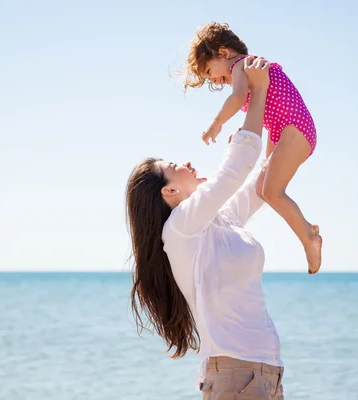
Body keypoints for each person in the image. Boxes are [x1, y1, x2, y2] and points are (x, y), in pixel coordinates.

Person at [126, 57, 313, 399]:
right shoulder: (181, 228)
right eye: (174, 167)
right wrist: (255, 93)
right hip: (235, 374)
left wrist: (279, 123)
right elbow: (235, 168)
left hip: (265, 371)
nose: (186, 163)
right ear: (169, 191)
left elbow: (258, 187)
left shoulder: (216, 222)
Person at [184, 22, 322, 273]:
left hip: (294, 129)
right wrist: (243, 131)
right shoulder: (248, 70)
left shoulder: (241, 65)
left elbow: (237, 98)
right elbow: (265, 108)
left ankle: (309, 238)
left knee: (272, 191)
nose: (215, 80)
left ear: (223, 53)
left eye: (210, 71)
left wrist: (217, 124)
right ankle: (306, 228)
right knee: (261, 189)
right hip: (283, 130)